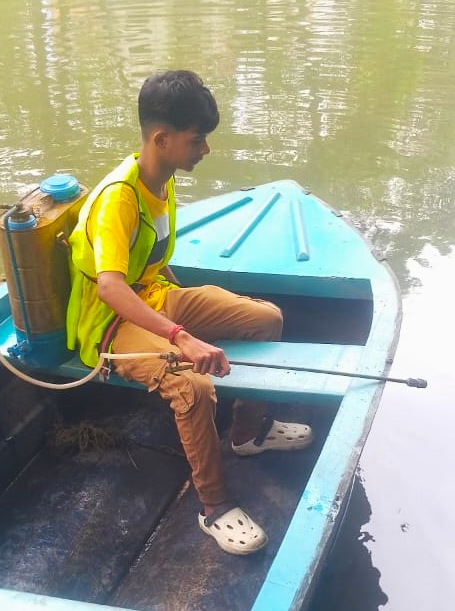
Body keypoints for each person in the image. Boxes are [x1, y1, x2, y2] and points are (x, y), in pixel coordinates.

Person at [66, 70, 312, 555]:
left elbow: (150, 259)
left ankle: (248, 431)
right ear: (162, 139)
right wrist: (181, 336)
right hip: (110, 325)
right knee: (193, 385)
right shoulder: (119, 198)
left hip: (154, 297)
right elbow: (112, 288)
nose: (205, 150)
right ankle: (214, 507)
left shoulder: (162, 179)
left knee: (268, 320)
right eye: (197, 140)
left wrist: (189, 311)